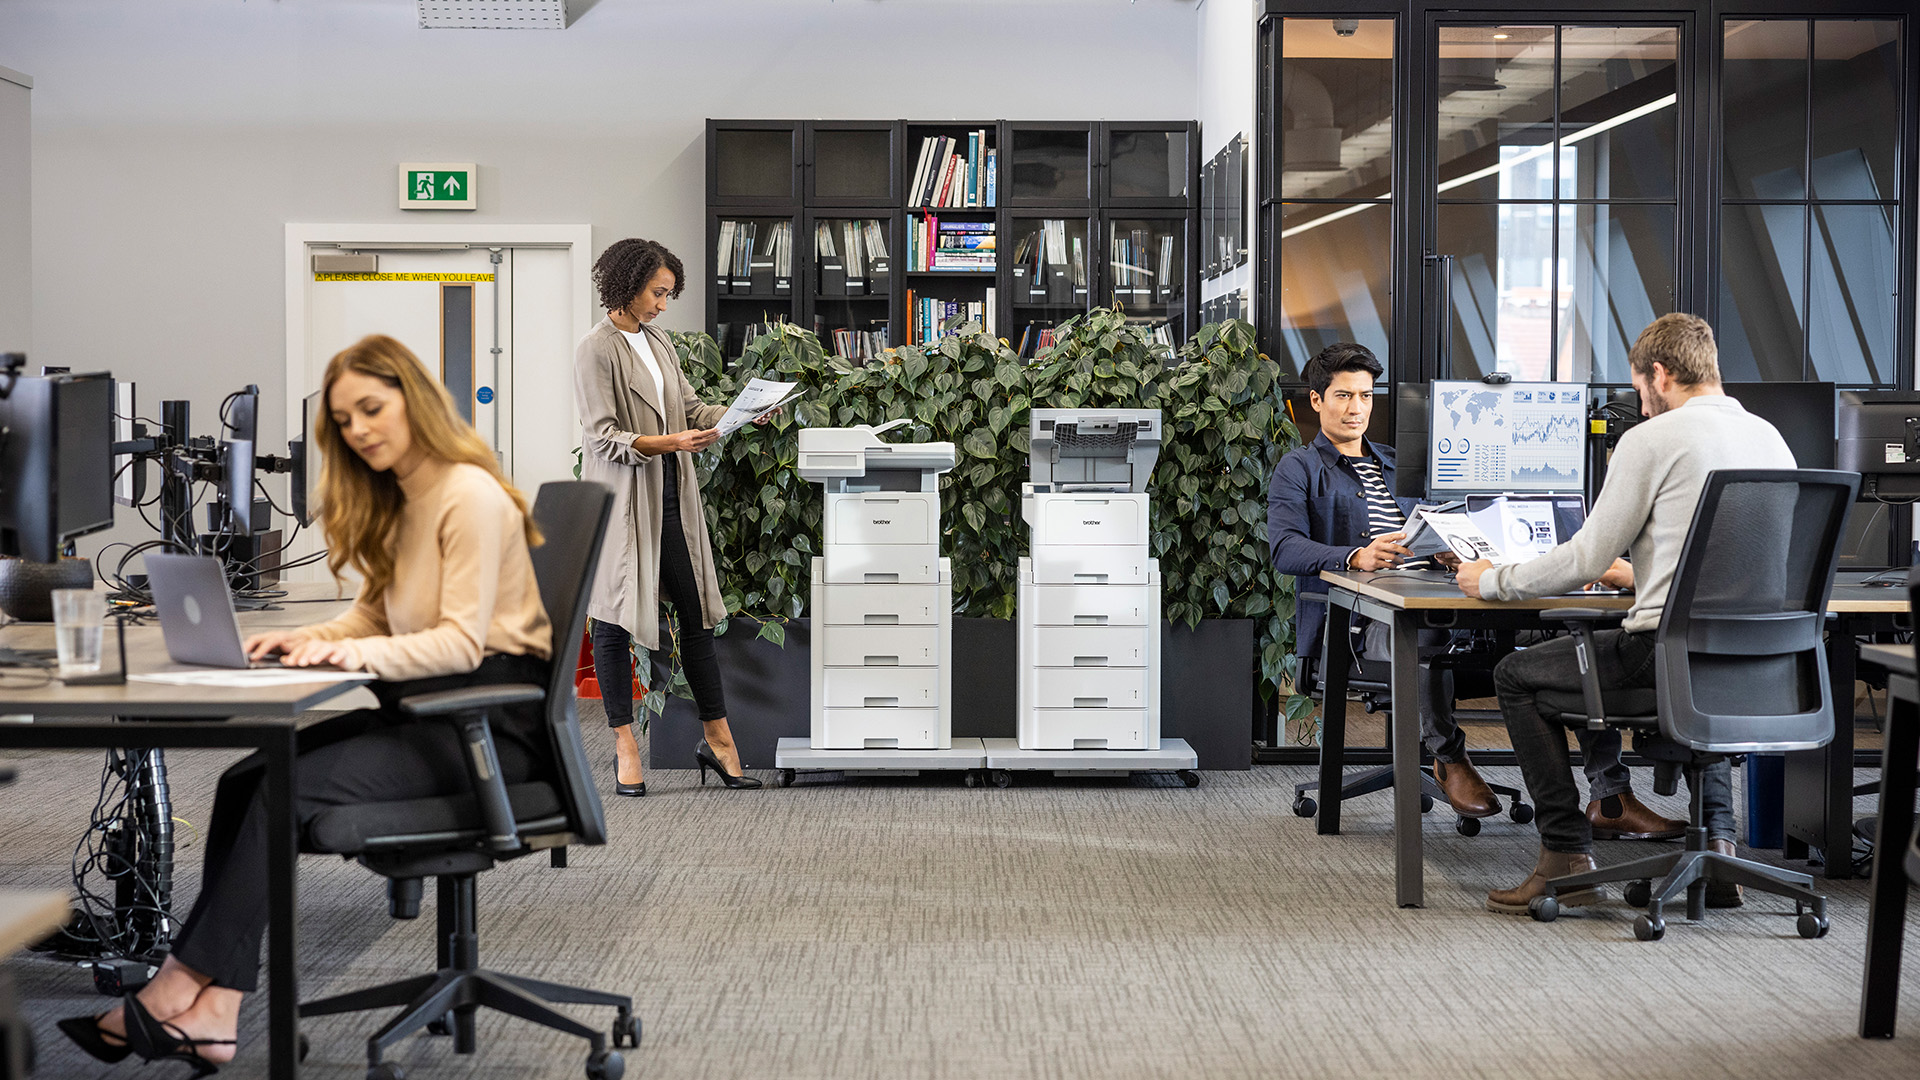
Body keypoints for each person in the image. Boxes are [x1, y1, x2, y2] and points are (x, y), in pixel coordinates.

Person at [58, 334, 554, 1071]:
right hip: (423, 712)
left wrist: (346, 654)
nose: (358, 430)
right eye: (345, 420)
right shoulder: (407, 499)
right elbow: (376, 618)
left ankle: (180, 992)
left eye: (372, 409)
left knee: (277, 792)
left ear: (413, 400)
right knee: (247, 777)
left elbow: (457, 644)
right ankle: (216, 1011)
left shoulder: (466, 495)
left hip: (484, 729)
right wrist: (311, 638)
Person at [1459, 313, 1794, 915]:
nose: (1639, 409)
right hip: (1760, 664)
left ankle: (1567, 856)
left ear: (1660, 376)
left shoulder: (1650, 440)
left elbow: (1583, 557)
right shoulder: (1772, 439)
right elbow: (1734, 571)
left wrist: (1492, 581)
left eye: (1640, 392)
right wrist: (1643, 576)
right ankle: (1718, 851)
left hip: (1660, 657)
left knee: (1515, 674)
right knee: (1703, 666)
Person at [1267, 342, 1679, 831]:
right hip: (1360, 622)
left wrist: (1447, 548)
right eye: (1343, 396)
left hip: (1436, 600)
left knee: (1574, 639)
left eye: (1365, 396)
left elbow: (1440, 524)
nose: (1357, 408)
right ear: (1317, 401)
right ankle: (1449, 758)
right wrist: (1355, 555)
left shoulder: (1400, 464)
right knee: (1422, 636)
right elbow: (1285, 549)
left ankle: (1610, 798)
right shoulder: (1299, 468)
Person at [575, 237, 768, 795]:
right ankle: (624, 746)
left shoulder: (658, 343)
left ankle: (719, 739)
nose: (663, 304)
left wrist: (740, 414)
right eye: (658, 292)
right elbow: (604, 438)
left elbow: (689, 408)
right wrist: (670, 442)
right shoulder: (596, 348)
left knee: (696, 618)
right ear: (627, 284)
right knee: (612, 626)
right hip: (624, 507)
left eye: (669, 294)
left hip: (671, 503)